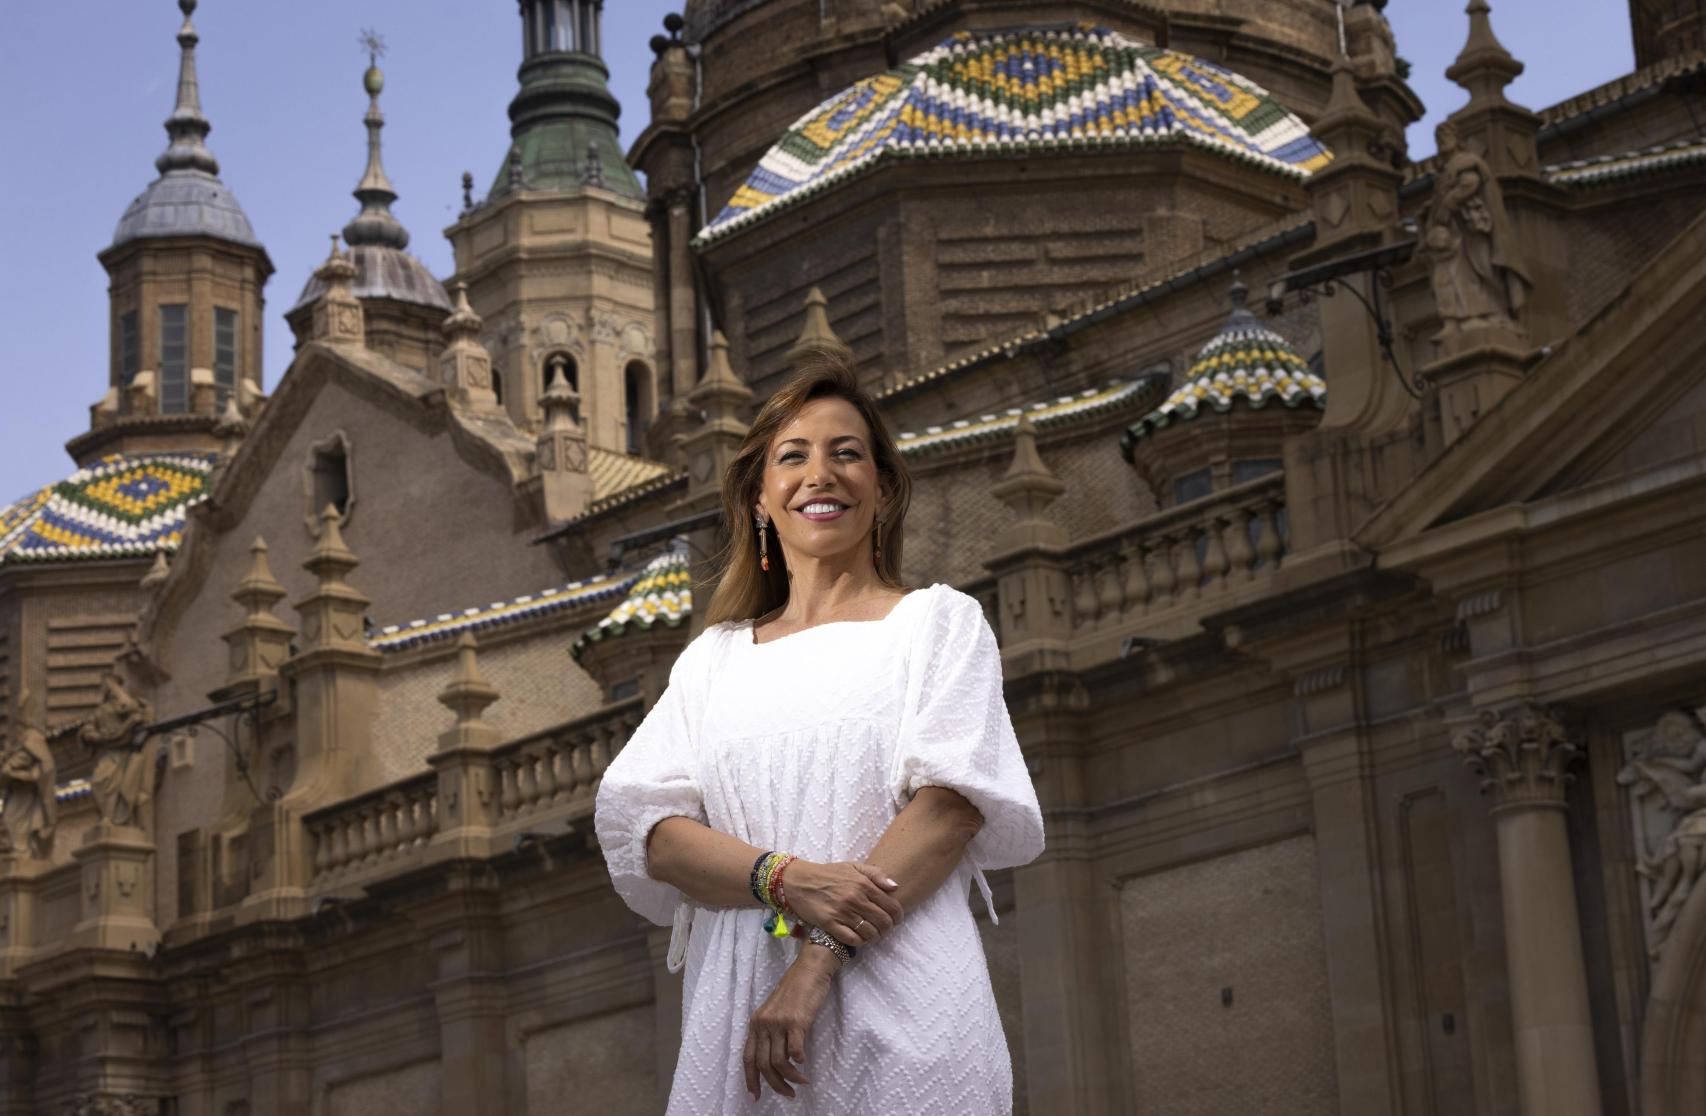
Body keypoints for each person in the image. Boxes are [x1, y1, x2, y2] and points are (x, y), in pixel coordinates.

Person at [594, 352, 1045, 1113]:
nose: (821, 474)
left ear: (884, 487)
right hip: (739, 1015)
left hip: (906, 1002)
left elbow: (950, 806)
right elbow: (648, 831)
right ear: (761, 498)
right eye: (793, 457)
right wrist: (786, 878)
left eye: (847, 454)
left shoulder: (936, 623)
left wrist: (812, 967)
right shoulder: (714, 661)